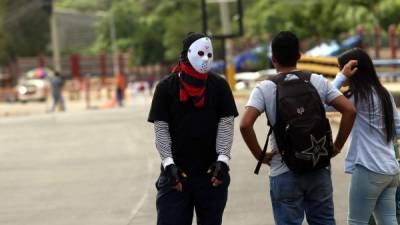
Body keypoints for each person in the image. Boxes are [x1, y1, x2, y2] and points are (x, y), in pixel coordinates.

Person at [240, 31, 356, 225]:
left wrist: (260, 155)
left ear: (273, 59)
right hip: (318, 166)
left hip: (283, 171)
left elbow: (245, 124)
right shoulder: (317, 81)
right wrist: (336, 147)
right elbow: (349, 110)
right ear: (299, 55)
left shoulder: (265, 88)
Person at [148, 32, 238, 225]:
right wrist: (168, 163)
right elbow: (161, 129)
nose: (205, 59)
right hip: (177, 177)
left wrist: (223, 159)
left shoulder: (219, 86)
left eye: (209, 55)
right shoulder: (166, 88)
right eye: (200, 53)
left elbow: (226, 123)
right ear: (186, 54)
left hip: (211, 175)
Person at [332, 48, 400, 225]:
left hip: (369, 168)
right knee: (388, 221)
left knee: (357, 221)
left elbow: (322, 100)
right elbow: (398, 127)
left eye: (342, 68)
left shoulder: (355, 97)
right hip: (390, 170)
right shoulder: (384, 94)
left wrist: (340, 77)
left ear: (353, 70)